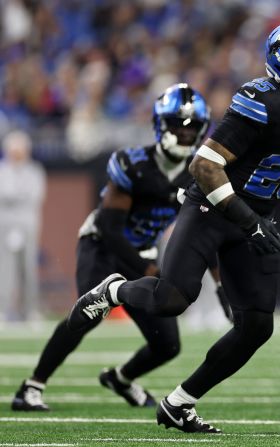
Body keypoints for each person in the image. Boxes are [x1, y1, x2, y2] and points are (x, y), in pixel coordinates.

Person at [65, 20, 280, 433]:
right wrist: (249, 222)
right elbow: (204, 165)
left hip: (256, 218)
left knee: (255, 327)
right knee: (171, 299)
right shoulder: (260, 101)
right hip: (212, 211)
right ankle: (113, 290)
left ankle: (180, 403)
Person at [11, 83, 219, 412]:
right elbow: (109, 228)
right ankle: (31, 386)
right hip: (102, 247)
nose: (184, 132)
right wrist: (149, 270)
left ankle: (121, 378)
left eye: (192, 126)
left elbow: (208, 230)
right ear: (161, 125)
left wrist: (220, 283)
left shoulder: (198, 172)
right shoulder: (134, 164)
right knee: (88, 315)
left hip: (143, 252)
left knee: (168, 344)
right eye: (178, 123)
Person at [0, 130, 46, 322]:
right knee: (5, 271)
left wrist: (14, 196)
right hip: (5, 226)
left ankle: (30, 311)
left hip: (28, 225)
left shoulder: (35, 171)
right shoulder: (3, 171)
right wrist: (17, 195)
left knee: (28, 269)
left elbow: (35, 196)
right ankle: (3, 310)